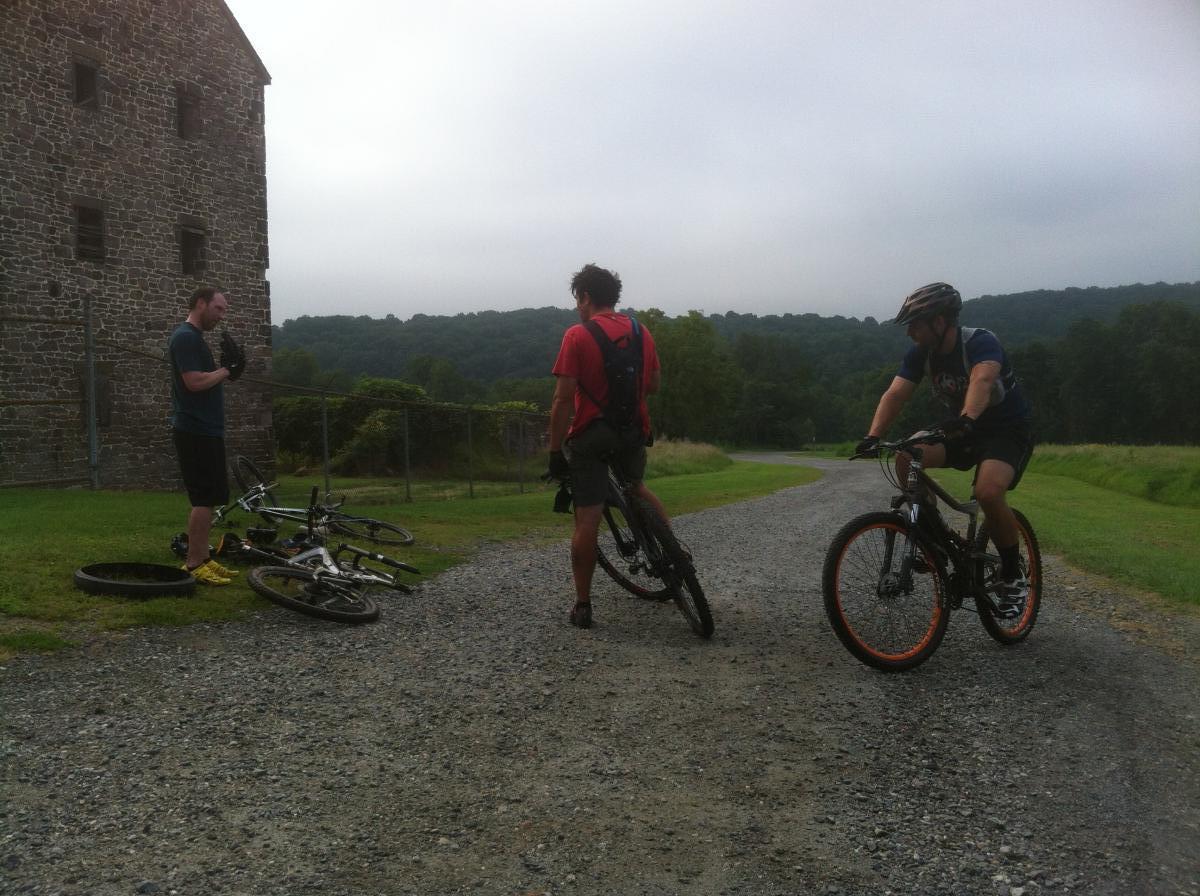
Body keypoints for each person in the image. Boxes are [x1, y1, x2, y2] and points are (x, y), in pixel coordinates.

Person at [858, 282, 1034, 619]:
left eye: (915, 324)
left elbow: (982, 381)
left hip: (1006, 430)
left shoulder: (980, 342)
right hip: (963, 428)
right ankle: (933, 539)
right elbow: (895, 394)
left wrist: (967, 417)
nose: (910, 332)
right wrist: (872, 435)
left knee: (987, 491)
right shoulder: (921, 355)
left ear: (939, 322)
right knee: (906, 455)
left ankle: (1013, 576)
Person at [548, 263, 668, 629]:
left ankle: (583, 605)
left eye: (577, 300)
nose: (577, 307)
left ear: (585, 296)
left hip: (592, 434)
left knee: (588, 516)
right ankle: (674, 554)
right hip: (633, 430)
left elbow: (563, 399)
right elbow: (654, 385)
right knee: (637, 488)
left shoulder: (576, 335)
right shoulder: (640, 331)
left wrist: (555, 452)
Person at [168, 286, 246, 585]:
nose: (221, 316)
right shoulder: (186, 337)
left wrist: (225, 369)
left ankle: (204, 558)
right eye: (219, 309)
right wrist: (227, 370)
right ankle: (192, 564)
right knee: (202, 498)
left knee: (211, 497)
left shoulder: (196, 339)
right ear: (201, 304)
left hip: (206, 428)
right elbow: (194, 382)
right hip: (194, 429)